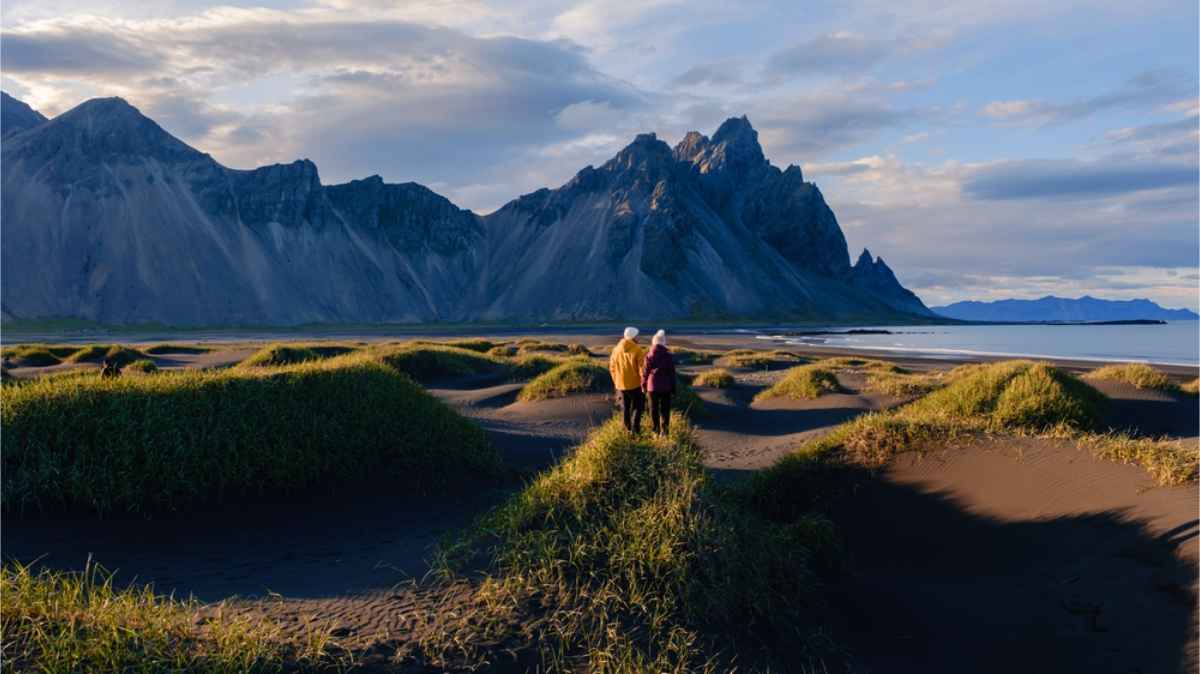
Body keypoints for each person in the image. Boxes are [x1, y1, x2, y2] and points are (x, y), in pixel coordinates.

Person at [609, 326, 646, 434]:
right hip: (635, 384)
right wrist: (644, 383)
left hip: (621, 384)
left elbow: (612, 367)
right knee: (638, 407)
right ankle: (635, 429)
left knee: (626, 408)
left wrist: (616, 381)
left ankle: (627, 429)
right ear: (633, 337)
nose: (639, 337)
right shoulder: (638, 350)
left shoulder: (616, 349)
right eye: (637, 335)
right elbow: (642, 369)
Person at [641, 329, 676, 437]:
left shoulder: (648, 355)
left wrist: (643, 386)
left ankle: (655, 431)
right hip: (666, 387)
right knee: (665, 410)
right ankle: (665, 432)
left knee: (653, 409)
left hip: (652, 388)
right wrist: (673, 388)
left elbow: (645, 373)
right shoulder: (668, 356)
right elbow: (672, 373)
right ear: (663, 342)